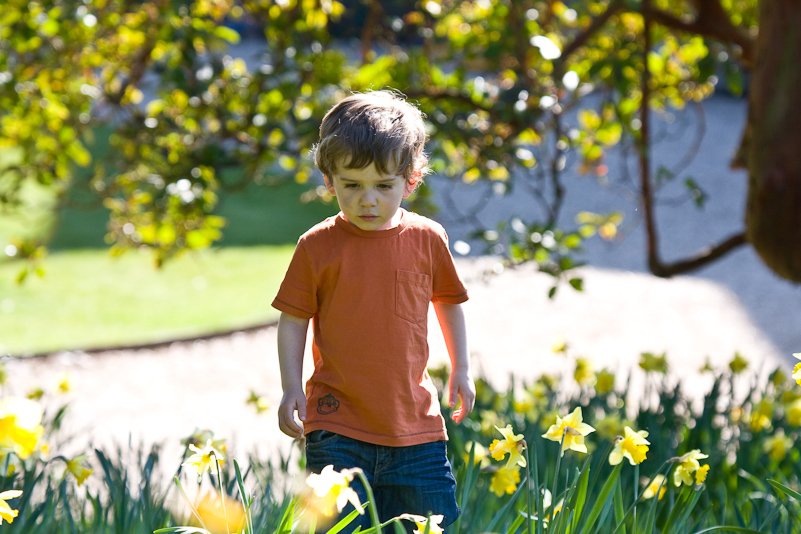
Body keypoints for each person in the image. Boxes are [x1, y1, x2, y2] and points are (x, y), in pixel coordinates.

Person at [272, 90, 475, 533]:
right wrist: (291, 387)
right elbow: (293, 319)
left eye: (384, 186)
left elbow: (450, 303)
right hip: (336, 426)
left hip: (416, 428)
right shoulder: (316, 246)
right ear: (329, 180)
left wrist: (462, 369)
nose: (368, 200)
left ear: (412, 179)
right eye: (352, 185)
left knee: (434, 527)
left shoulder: (428, 238)